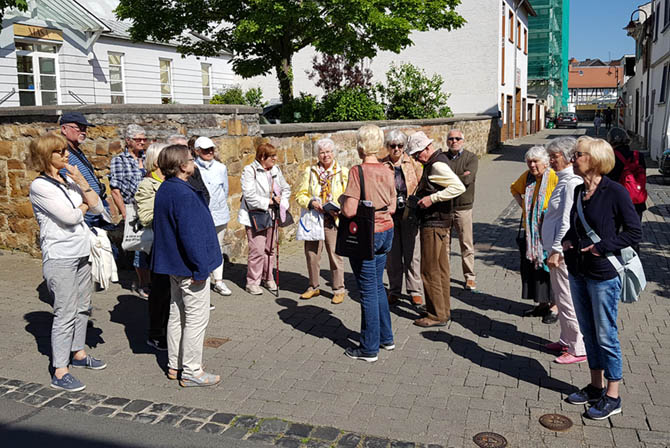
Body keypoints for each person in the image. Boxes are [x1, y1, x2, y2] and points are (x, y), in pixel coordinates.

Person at [562, 136, 642, 419]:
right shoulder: (578, 191)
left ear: (594, 158)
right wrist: (568, 241)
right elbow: (575, 226)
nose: (573, 158)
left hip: (603, 274)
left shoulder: (615, 192)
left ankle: (613, 394)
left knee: (606, 334)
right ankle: (595, 386)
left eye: (577, 154)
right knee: (588, 331)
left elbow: (634, 232)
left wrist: (601, 247)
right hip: (579, 271)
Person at [29, 132, 107, 391]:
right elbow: (71, 217)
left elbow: (97, 206)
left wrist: (82, 181)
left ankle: (78, 354)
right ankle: (60, 370)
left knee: (84, 306)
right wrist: (84, 205)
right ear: (45, 156)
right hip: (60, 256)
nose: (66, 155)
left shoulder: (67, 180)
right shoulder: (40, 186)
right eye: (59, 152)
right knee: (64, 312)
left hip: (82, 251)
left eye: (65, 151)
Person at [151, 145, 222, 387]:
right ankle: (191, 371)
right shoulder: (182, 194)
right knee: (195, 319)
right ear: (182, 165)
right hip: (189, 267)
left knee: (176, 314)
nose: (194, 162)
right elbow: (191, 236)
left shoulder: (167, 188)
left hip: (173, 265)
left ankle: (175, 365)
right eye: (191, 159)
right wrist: (201, 269)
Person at [340, 125, 396, 362]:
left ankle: (369, 347)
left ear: (361, 144)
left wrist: (342, 199)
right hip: (386, 229)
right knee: (377, 286)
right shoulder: (387, 170)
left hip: (366, 234)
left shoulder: (357, 171)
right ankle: (386, 337)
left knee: (368, 291)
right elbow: (393, 206)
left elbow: (350, 210)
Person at [407, 131, 465, 327]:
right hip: (440, 222)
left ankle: (435, 314)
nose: (416, 158)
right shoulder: (437, 162)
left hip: (434, 223)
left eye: (417, 154)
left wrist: (432, 198)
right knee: (440, 269)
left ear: (427, 148)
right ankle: (442, 310)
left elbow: (458, 187)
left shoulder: (437, 164)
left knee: (430, 270)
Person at [541, 137, 587, 364]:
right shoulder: (561, 179)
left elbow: (567, 221)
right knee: (560, 295)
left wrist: (557, 249)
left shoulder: (571, 183)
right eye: (550, 156)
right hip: (554, 250)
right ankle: (565, 339)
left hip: (561, 253)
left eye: (554, 156)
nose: (550, 160)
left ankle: (578, 347)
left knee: (567, 298)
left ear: (568, 157)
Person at [295, 138, 349, 304]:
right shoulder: (310, 172)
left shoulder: (343, 172)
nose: (326, 155)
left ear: (334, 153)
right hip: (313, 219)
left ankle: (339, 289)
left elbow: (348, 196)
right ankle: (313, 286)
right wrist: (311, 203)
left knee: (335, 255)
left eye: (328, 152)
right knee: (312, 255)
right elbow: (300, 195)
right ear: (318, 155)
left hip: (333, 219)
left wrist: (340, 207)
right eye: (322, 152)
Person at [510, 146, 559, 322]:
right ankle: (542, 303)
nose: (532, 165)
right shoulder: (528, 177)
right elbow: (514, 189)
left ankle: (555, 307)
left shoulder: (554, 176)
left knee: (550, 268)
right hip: (531, 231)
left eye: (535, 161)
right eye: (529, 161)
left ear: (545, 162)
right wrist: (525, 207)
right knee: (535, 268)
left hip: (549, 231)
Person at [239, 143, 291, 295]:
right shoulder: (250, 170)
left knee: (270, 248)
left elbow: (286, 188)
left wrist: (282, 200)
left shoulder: (275, 170)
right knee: (257, 250)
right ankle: (252, 282)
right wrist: (269, 202)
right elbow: (249, 196)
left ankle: (268, 278)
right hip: (255, 215)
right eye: (272, 156)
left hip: (272, 214)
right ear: (263, 157)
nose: (275, 159)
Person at [380, 130, 424, 306]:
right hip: (390, 215)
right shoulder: (382, 165)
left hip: (409, 214)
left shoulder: (412, 163)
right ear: (387, 147)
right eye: (392, 146)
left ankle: (415, 290)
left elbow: (422, 183)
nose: (396, 149)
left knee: (413, 254)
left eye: (400, 146)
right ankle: (394, 290)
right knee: (393, 256)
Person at [135, 143, 170, 351]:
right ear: (157, 161)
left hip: (171, 244)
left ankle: (169, 330)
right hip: (158, 246)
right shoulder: (147, 185)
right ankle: (156, 334)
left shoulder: (171, 180)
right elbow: (146, 217)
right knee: (160, 293)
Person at [110, 124, 150, 298]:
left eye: (144, 139)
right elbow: (115, 190)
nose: (142, 142)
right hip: (132, 208)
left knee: (150, 244)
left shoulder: (147, 157)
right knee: (139, 246)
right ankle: (143, 284)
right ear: (128, 141)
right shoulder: (119, 160)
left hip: (148, 206)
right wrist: (125, 214)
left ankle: (149, 280)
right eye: (138, 139)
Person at [59, 112, 111, 229]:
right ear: (64, 129)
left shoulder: (76, 150)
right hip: (86, 209)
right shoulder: (62, 152)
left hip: (95, 204)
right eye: (78, 128)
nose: (83, 132)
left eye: (84, 128)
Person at [194, 136, 232, 297]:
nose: (209, 152)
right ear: (197, 151)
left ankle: (219, 281)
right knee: (201, 248)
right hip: (201, 215)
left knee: (218, 247)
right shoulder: (193, 167)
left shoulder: (221, 168)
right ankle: (204, 279)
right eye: (205, 149)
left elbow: (225, 190)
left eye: (211, 149)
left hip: (219, 213)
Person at [444, 129, 479, 291]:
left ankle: (470, 277)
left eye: (458, 138)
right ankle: (444, 275)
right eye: (451, 139)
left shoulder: (471, 158)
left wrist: (448, 179)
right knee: (444, 246)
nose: (454, 141)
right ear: (447, 142)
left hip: (463, 207)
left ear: (463, 141)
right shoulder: (442, 158)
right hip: (444, 207)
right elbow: (436, 178)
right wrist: (460, 176)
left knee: (466, 244)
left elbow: (468, 179)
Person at [606, 127, 647, 223]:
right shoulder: (638, 156)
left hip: (616, 202)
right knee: (634, 232)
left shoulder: (610, 157)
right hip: (636, 202)